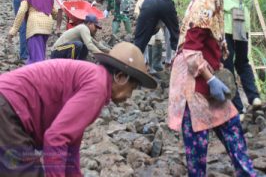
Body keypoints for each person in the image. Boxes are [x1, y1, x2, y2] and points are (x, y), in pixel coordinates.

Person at [0, 42, 157, 176]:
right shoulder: (98, 87)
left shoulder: (94, 78)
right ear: (121, 77)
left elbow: (71, 146)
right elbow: (56, 138)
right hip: (8, 108)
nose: (130, 96)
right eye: (132, 88)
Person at [168, 0, 257, 176]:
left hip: (207, 78)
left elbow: (212, 40)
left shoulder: (215, 1)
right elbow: (190, 52)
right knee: (197, 140)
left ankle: (247, 172)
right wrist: (211, 79)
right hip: (193, 82)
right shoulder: (205, 4)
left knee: (231, 125)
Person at [202, 0, 262, 121]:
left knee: (227, 65)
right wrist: (240, 10)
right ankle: (255, 97)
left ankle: (238, 108)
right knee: (243, 62)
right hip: (241, 20)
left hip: (225, 23)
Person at [8, 0, 57, 64]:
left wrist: (13, 30)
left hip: (35, 26)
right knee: (40, 53)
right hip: (47, 26)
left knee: (36, 58)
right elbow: (54, 11)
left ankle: (37, 75)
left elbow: (22, 10)